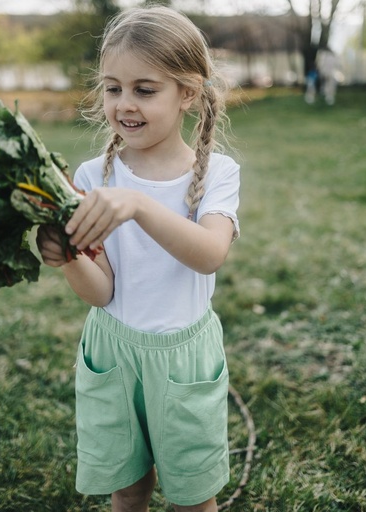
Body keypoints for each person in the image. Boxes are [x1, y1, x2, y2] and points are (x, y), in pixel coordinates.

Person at [37, 5, 240, 512]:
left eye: (144, 89)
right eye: (112, 88)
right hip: (112, 351)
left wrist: (140, 205)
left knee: (193, 497)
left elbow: (210, 254)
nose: (124, 103)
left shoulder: (218, 173)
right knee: (128, 488)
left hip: (182, 358)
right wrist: (67, 259)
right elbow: (101, 292)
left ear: (187, 94)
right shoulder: (90, 178)